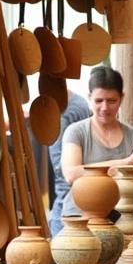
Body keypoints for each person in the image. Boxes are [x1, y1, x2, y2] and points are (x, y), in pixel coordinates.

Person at [60, 66, 133, 220]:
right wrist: (128, 162)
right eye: (99, 101)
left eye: (112, 101)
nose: (105, 108)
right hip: (79, 214)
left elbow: (132, 187)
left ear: (122, 98)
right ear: (89, 98)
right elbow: (71, 175)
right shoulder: (76, 132)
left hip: (122, 216)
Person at [46, 89, 92, 238]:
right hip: (85, 189)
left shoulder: (66, 111)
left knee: (64, 186)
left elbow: (63, 174)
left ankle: (59, 245)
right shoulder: (80, 102)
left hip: (71, 195)